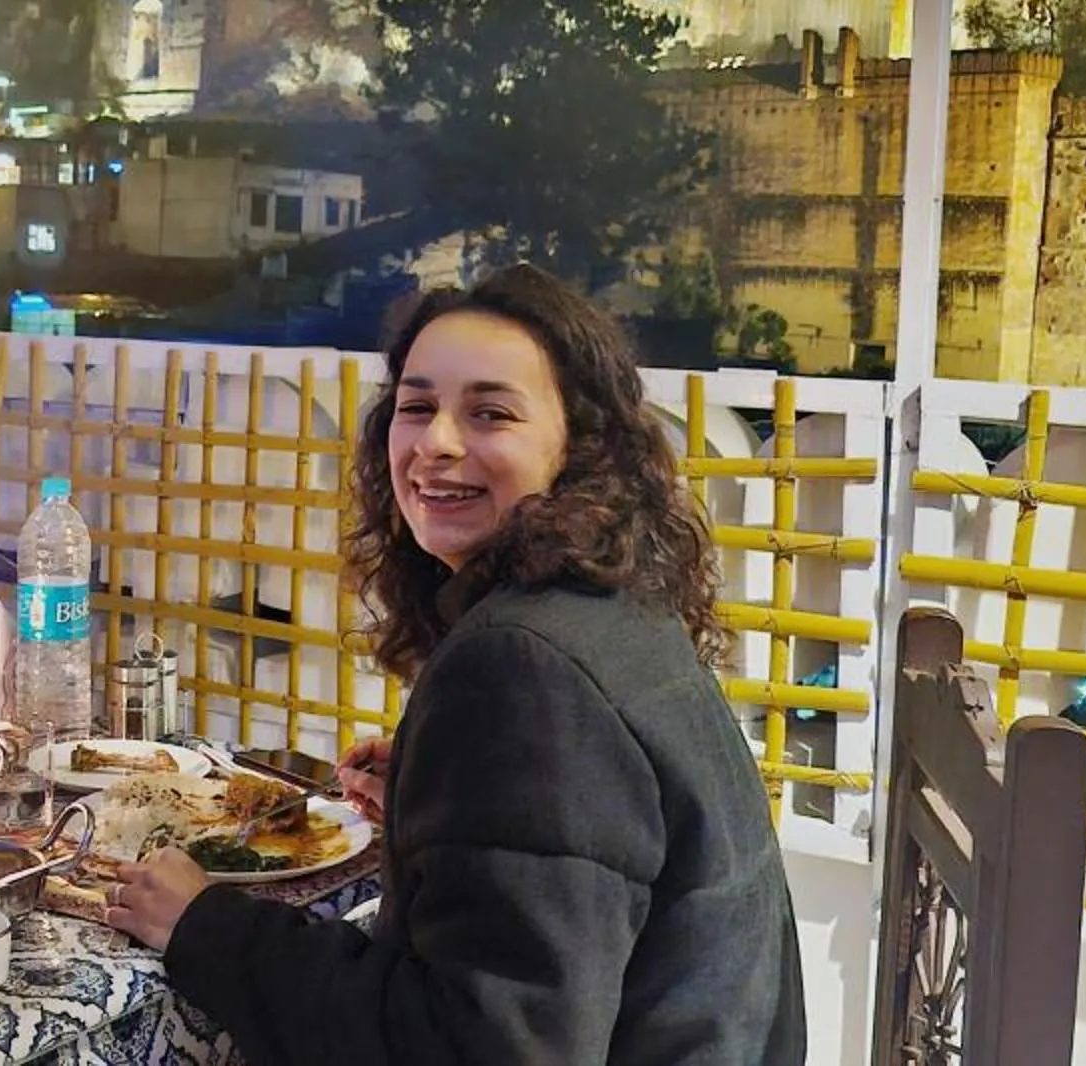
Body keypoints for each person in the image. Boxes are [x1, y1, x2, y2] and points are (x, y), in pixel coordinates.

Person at [103, 265, 807, 1066]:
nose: (436, 442)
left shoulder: (522, 668)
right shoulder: (612, 610)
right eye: (416, 407)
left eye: (491, 412)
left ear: (577, 448)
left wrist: (206, 928)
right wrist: (438, 794)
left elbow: (478, 1044)